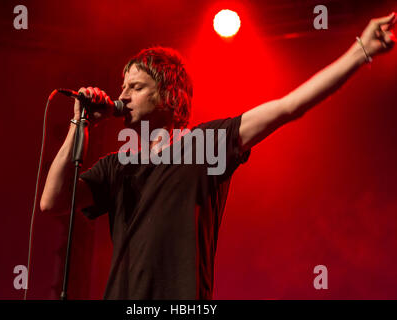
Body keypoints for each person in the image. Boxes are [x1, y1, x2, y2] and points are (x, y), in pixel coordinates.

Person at [40, 12, 396, 299]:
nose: (123, 96)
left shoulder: (207, 143)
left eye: (136, 86)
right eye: (122, 87)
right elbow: (52, 201)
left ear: (168, 95)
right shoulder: (117, 165)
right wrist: (79, 121)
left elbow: (289, 107)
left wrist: (359, 52)